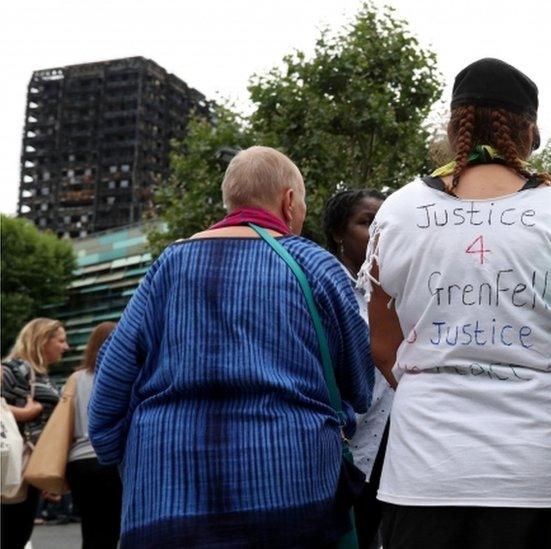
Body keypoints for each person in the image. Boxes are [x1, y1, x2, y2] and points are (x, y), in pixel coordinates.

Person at [361, 58, 551, 549]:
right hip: (547, 469)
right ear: (529, 130)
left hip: (426, 470)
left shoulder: (399, 211)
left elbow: (383, 348)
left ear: (454, 128)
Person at [88, 146, 374, 548]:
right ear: (289, 201)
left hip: (167, 494)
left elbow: (111, 387)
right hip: (291, 488)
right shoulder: (316, 265)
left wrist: (133, 459)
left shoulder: (169, 265)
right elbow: (360, 387)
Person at [322, 189, 390, 548]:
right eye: (366, 223)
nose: (378, 234)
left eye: (384, 224)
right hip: (341, 451)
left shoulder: (390, 289)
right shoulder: (325, 290)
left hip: (390, 450)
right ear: (337, 233)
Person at [1, 318, 69, 549]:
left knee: (18, 534)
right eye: (60, 340)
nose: (66, 346)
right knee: (11, 533)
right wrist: (24, 413)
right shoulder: (14, 369)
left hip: (27, 469)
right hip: (12, 466)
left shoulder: (42, 376)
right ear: (42, 341)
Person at [65, 322, 123, 549]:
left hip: (78, 463)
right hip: (109, 459)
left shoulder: (76, 378)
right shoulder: (123, 375)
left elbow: (63, 423)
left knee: (91, 531)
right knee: (113, 530)